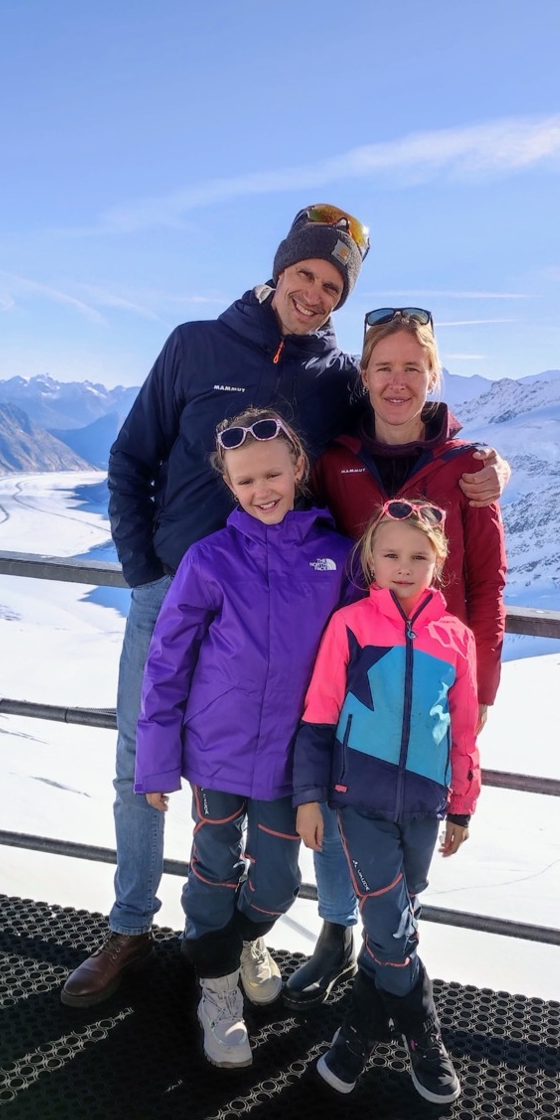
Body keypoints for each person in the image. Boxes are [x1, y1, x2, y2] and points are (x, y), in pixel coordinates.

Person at [60, 207, 506, 1009]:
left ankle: (235, 938)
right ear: (278, 270)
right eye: (305, 274)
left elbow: (388, 433)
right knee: (143, 762)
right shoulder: (195, 343)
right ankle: (129, 925)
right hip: (177, 587)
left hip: (276, 612)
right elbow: (130, 457)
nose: (313, 293)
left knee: (263, 771)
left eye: (331, 286)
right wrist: (144, 570)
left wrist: (482, 460)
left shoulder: (335, 376)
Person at [284, 307, 506, 1010]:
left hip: (435, 673)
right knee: (340, 805)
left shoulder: (468, 468)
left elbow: (486, 581)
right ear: (364, 374)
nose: (397, 380)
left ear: (431, 373)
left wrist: (482, 689)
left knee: (409, 819)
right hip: (347, 667)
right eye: (384, 366)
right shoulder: (335, 459)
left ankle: (390, 958)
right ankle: (334, 933)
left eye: (412, 366)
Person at [134, 408, 355, 1067]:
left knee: (280, 880)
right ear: (228, 486)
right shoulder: (210, 558)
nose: (261, 490)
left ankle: (240, 939)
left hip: (296, 760)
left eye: (272, 474)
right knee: (210, 865)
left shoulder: (336, 557)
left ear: (298, 470)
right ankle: (217, 988)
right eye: (244, 481)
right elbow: (167, 660)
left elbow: (355, 657)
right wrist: (154, 763)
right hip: (216, 752)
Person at [293, 499, 482, 1102]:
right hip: (360, 802)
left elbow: (463, 729)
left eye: (418, 556)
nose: (404, 566)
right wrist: (308, 797)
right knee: (391, 924)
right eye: (391, 553)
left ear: (440, 562)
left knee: (395, 923)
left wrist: (462, 805)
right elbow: (319, 716)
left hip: (426, 807)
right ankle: (422, 1035)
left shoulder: (456, 638)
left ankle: (358, 1032)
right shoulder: (350, 624)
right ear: (370, 556)